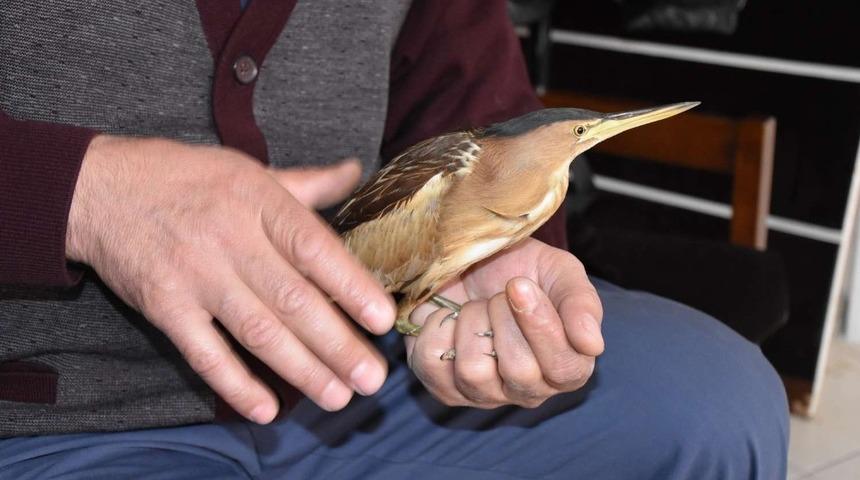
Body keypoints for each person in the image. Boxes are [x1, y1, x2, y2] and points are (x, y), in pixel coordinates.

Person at [0, 1, 788, 478]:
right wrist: (85, 194)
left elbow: (474, 100)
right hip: (57, 417)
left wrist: (504, 253)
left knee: (719, 406)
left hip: (366, 367)